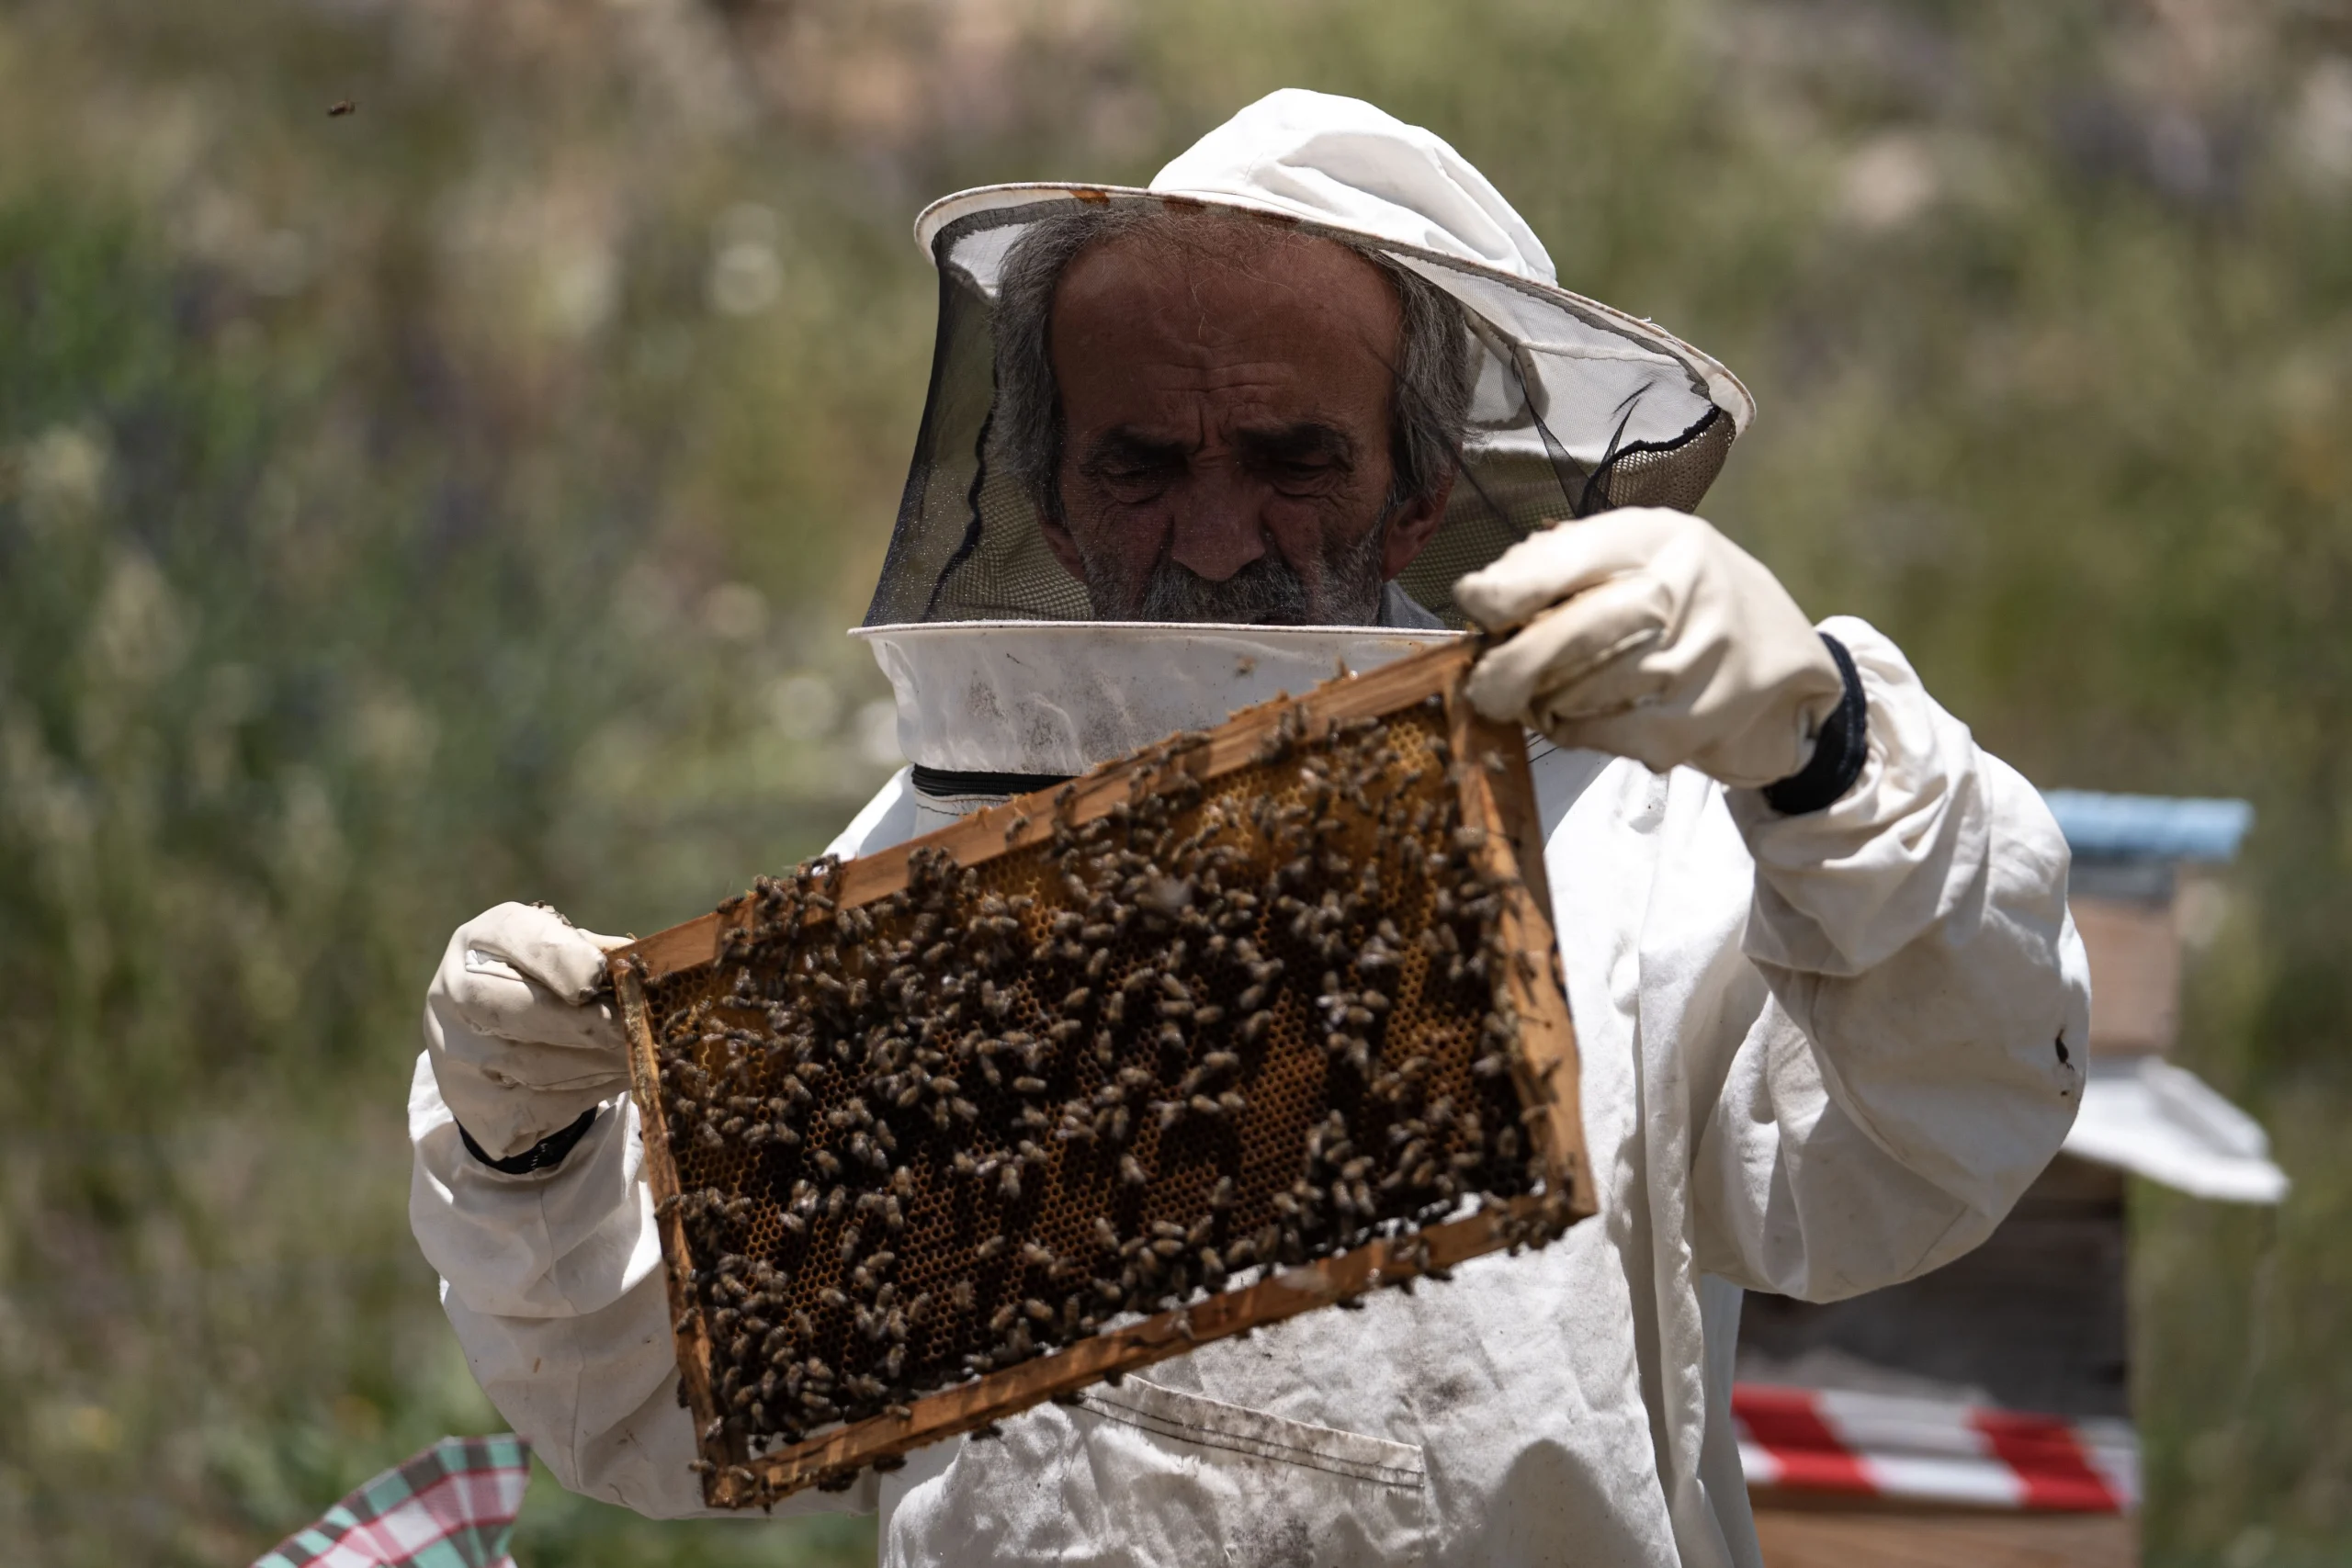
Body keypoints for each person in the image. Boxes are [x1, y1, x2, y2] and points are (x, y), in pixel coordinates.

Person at [409, 90, 2090, 1567]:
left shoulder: (1623, 833)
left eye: (1291, 456)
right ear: (1054, 498)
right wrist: (527, 1149)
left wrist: (1833, 755)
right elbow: (655, 1408)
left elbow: (1921, 1147)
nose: (1215, 537)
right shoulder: (951, 859)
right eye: (1143, 463)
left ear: (1416, 492)